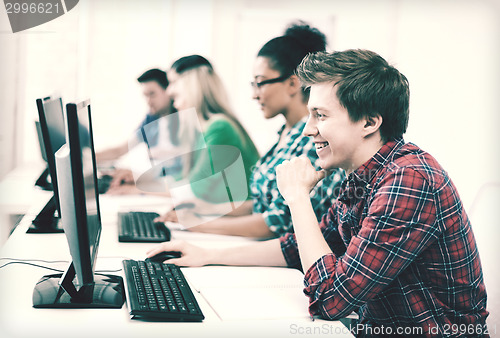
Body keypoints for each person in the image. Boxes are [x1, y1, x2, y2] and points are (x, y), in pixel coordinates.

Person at [147, 49, 489, 336]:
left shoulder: (409, 181)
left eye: (320, 115)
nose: (309, 129)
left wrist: (297, 197)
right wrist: (205, 254)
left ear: (370, 122)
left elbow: (330, 301)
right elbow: (297, 248)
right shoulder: (362, 173)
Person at [157, 23, 344, 238]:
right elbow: (258, 205)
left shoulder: (312, 141)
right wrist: (201, 212)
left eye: (260, 83)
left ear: (292, 84)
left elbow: (277, 222)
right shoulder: (285, 134)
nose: (255, 95)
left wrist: (198, 224)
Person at [162, 55, 260, 216]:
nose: (169, 91)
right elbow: (183, 179)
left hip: (240, 221)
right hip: (225, 218)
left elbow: (193, 189)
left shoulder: (220, 127)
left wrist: (138, 190)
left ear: (192, 84)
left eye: (173, 82)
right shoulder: (205, 129)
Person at [96, 68, 173, 163]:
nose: (148, 102)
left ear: (168, 90)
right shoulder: (151, 119)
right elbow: (121, 150)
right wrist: (90, 158)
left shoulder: (184, 117)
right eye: (145, 96)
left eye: (152, 94)